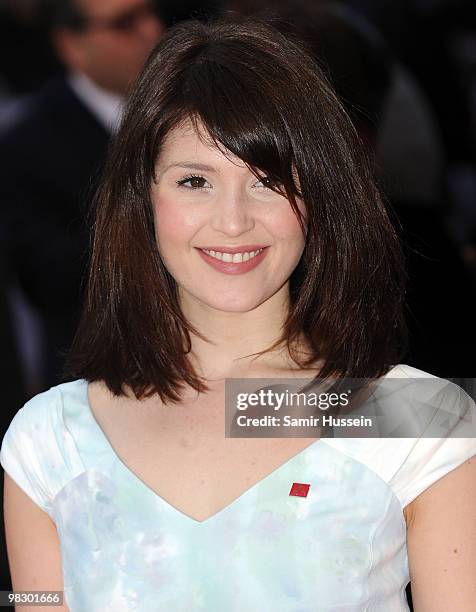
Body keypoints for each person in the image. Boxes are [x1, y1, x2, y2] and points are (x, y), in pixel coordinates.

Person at [1, 15, 475, 612]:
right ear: (142, 196)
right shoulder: (51, 438)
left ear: (319, 197)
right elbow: (32, 600)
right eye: (195, 180)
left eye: (269, 182)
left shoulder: (417, 416)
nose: (232, 221)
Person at [0, 0, 164, 389]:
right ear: (71, 45)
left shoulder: (191, 110)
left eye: (151, 12)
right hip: (102, 376)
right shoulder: (29, 144)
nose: (153, 30)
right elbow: (46, 279)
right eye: (125, 23)